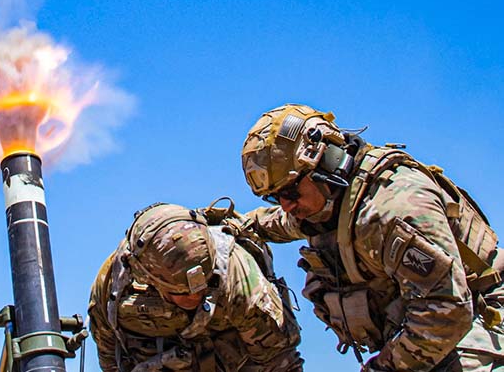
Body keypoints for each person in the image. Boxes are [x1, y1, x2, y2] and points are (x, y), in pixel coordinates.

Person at [240, 103, 504, 371]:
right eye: (275, 197)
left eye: (291, 191)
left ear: (326, 161)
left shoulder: (392, 208)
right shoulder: (322, 207)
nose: (286, 205)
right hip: (433, 327)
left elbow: (449, 310)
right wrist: (216, 221)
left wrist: (383, 367)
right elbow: (272, 223)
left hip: (482, 317)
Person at [88, 202, 303, 371]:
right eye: (182, 292)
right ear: (148, 278)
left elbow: (277, 359)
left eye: (205, 286)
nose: (196, 297)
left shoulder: (238, 276)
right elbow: (110, 356)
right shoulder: (114, 287)